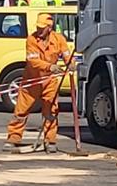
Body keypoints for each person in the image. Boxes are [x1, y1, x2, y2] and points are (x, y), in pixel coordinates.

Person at [5, 13, 73, 153]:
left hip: (49, 81)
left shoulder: (59, 39)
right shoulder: (31, 39)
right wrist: (49, 67)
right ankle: (13, 138)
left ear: (49, 27)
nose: (39, 30)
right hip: (31, 81)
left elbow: (67, 55)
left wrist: (71, 64)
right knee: (21, 110)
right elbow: (33, 61)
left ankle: (50, 141)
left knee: (50, 111)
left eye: (42, 27)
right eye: (38, 27)